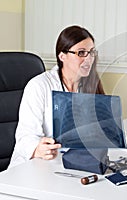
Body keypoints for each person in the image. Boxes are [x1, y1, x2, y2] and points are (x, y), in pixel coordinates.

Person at [9, 25, 105, 168]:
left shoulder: (90, 85)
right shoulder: (39, 86)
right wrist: (38, 148)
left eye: (91, 52)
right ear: (62, 56)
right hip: (32, 167)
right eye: (81, 53)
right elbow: (25, 137)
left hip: (71, 164)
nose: (88, 59)